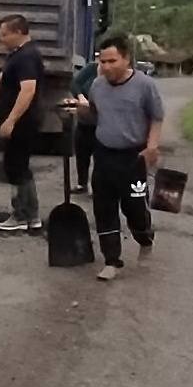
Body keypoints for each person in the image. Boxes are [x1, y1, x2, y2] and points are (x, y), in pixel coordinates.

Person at [71, 35, 164, 281]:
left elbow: (157, 117)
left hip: (133, 157)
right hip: (104, 154)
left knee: (135, 208)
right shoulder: (97, 86)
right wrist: (77, 111)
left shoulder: (144, 85)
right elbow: (95, 115)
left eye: (112, 61)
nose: (107, 66)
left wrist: (152, 147)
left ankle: (145, 239)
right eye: (103, 62)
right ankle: (112, 260)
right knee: (103, 208)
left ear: (126, 59)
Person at [0, 14, 44, 232]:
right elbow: (0, 80)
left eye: (4, 34)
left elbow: (28, 90)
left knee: (17, 168)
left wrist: (11, 120)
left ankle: (22, 215)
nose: (0, 38)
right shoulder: (16, 55)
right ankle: (31, 217)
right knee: (17, 167)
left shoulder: (27, 56)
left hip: (23, 122)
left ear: (18, 32)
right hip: (17, 120)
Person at [70, 55, 99, 193]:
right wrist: (80, 96)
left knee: (101, 158)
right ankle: (82, 183)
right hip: (85, 121)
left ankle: (98, 187)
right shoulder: (92, 68)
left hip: (102, 124)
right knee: (82, 153)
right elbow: (74, 84)